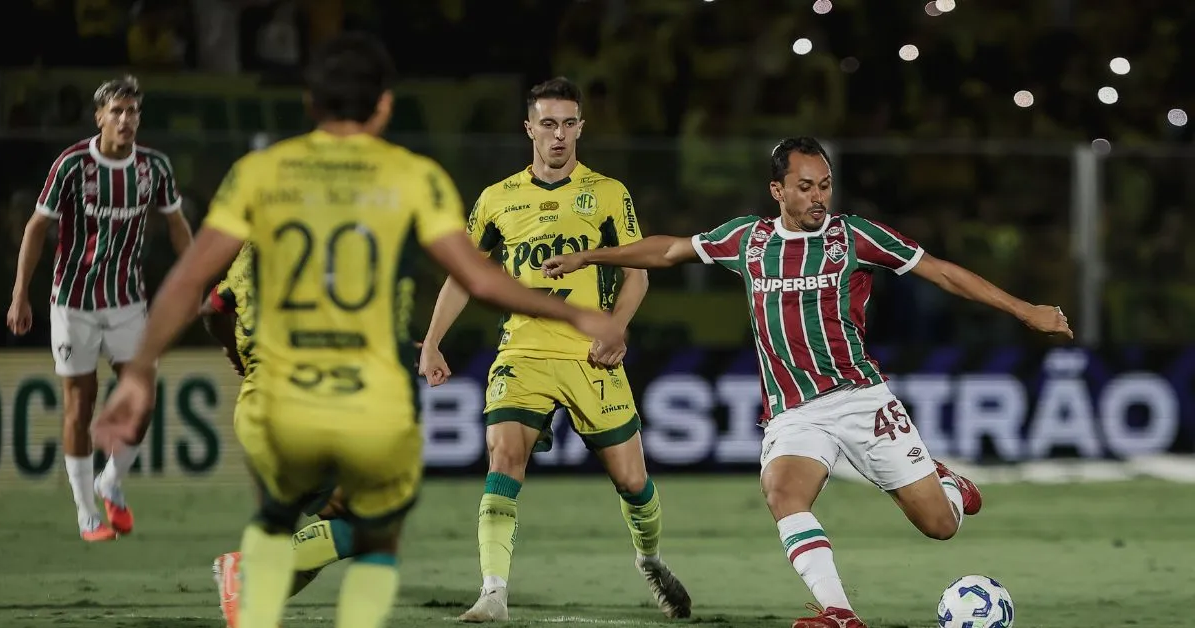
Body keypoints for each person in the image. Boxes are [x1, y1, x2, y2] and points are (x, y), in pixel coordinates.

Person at [90, 34, 623, 628]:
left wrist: (138, 373)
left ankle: (258, 581)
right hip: (357, 396)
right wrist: (577, 312)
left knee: (318, 518)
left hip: (270, 402)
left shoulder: (258, 174)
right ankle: (255, 571)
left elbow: (192, 283)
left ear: (310, 103)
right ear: (386, 105)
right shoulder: (412, 177)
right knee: (373, 526)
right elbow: (482, 278)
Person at [541, 137, 1073, 628]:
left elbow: (942, 272)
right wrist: (590, 255)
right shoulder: (747, 240)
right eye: (805, 186)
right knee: (783, 492)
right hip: (794, 412)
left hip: (861, 400)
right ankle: (839, 612)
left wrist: (1024, 310)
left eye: (824, 185)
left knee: (941, 526)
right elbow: (668, 250)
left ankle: (951, 488)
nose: (818, 197)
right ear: (778, 190)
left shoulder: (855, 237)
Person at [418, 76, 691, 622]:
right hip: (521, 353)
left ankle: (651, 559)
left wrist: (615, 328)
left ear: (581, 127)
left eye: (569, 123)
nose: (559, 134)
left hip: (591, 355)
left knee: (633, 483)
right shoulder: (497, 199)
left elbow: (637, 272)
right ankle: (493, 592)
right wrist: (431, 343)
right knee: (504, 458)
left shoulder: (610, 194)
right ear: (529, 129)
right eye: (548, 123)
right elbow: (463, 275)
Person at [5, 75, 193, 542]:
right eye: (117, 112)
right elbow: (35, 229)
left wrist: (192, 280)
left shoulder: (154, 168)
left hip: (128, 301)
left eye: (133, 112)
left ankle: (111, 480)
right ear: (99, 117)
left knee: (143, 396)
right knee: (80, 402)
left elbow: (176, 225)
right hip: (73, 303)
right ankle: (87, 513)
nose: (126, 120)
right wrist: (19, 294)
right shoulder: (71, 165)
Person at [200, 243, 357, 627]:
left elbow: (212, 309)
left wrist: (235, 354)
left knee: (341, 522)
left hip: (256, 407)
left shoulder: (245, 258)